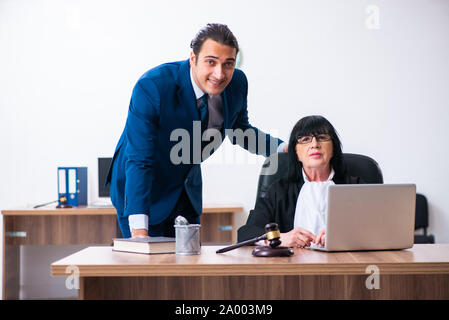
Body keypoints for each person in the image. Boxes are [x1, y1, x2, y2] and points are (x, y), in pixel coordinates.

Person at [106, 23, 286, 239]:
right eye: (211, 62)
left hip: (186, 191)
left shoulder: (237, 83)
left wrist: (284, 148)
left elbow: (239, 130)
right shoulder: (152, 87)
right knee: (148, 268)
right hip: (143, 190)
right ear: (193, 58)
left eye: (228, 64)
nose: (219, 74)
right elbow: (139, 159)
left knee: (189, 265)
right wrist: (139, 231)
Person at [237, 115, 363, 248]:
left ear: (333, 149)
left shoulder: (357, 187)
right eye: (305, 139)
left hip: (346, 265)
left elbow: (382, 227)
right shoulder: (279, 191)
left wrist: (344, 235)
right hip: (293, 266)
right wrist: (278, 238)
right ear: (296, 152)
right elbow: (245, 233)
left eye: (322, 138)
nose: (314, 144)